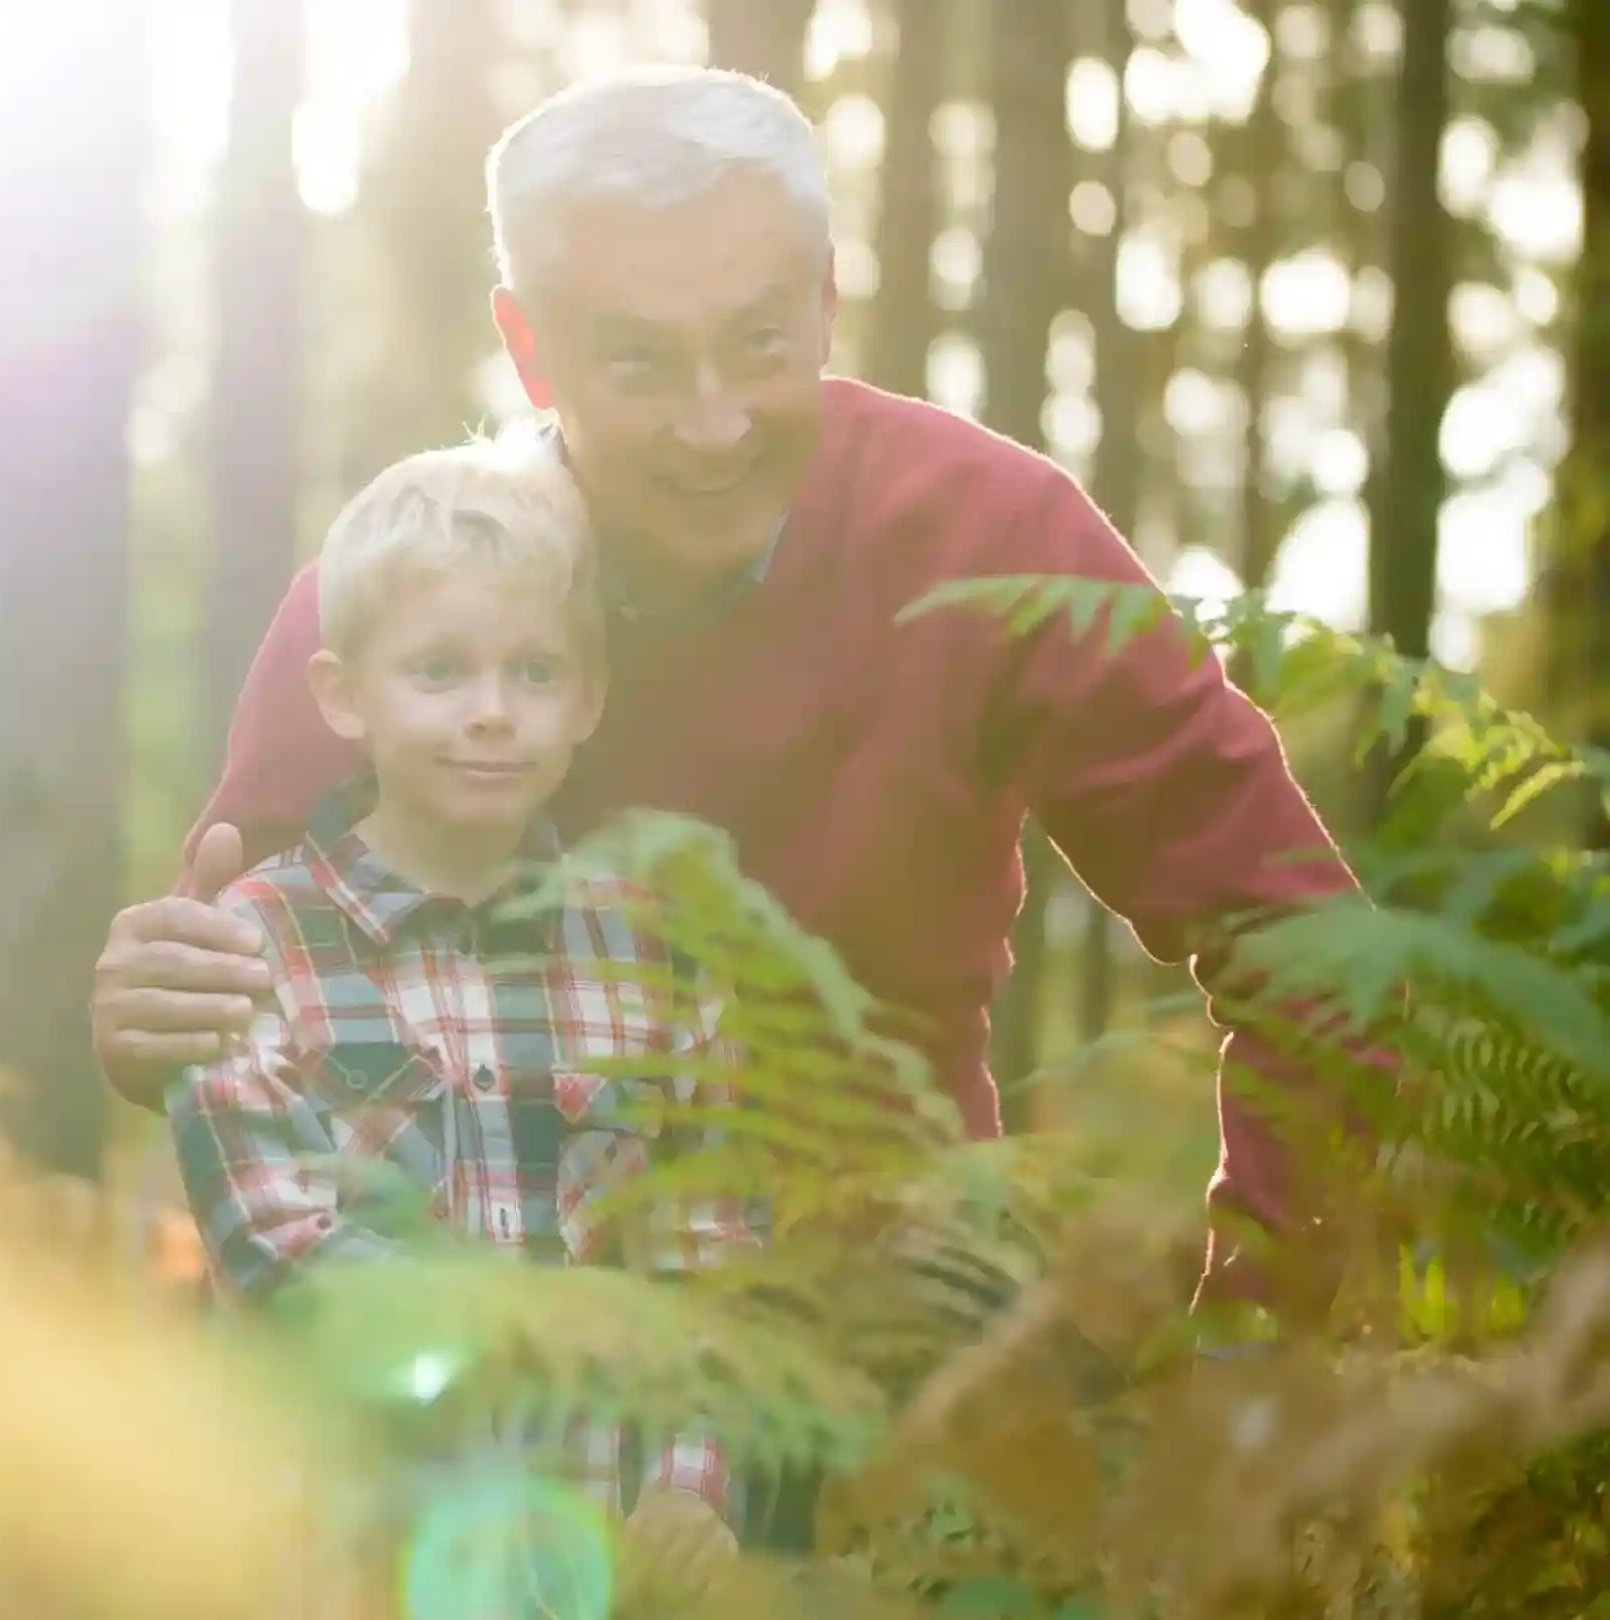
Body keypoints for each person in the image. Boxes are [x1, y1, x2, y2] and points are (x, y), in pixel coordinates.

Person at [97, 65, 1356, 1315]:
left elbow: (1311, 948)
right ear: (531, 349)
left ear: (825, 306)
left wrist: (1261, 1365)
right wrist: (153, 1016)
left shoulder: (990, 540)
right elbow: (232, 1009)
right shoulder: (401, 624)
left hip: (892, 1347)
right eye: (640, 363)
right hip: (479, 1382)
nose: (714, 425)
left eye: (758, 344)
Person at [167, 435, 753, 1607]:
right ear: (344, 695)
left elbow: (710, 1256)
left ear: (588, 697)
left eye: (535, 674)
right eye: (439, 671)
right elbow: (281, 1253)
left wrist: (690, 1481)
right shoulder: (255, 947)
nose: (494, 713)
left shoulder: (660, 959)